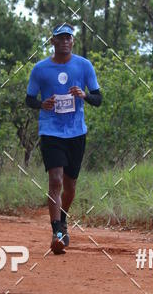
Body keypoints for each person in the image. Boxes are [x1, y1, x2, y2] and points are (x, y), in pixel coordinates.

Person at [26, 23, 102, 254]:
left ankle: (63, 219)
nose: (65, 41)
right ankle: (57, 233)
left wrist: (84, 95)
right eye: (60, 38)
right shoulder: (40, 69)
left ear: (73, 41)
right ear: (53, 42)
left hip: (76, 132)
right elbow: (29, 99)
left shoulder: (84, 65)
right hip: (51, 131)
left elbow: (98, 99)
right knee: (56, 180)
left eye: (68, 38)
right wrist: (42, 104)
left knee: (70, 186)